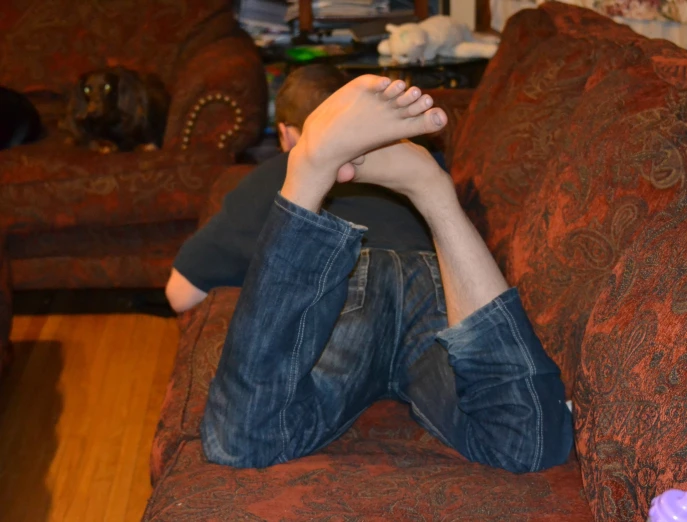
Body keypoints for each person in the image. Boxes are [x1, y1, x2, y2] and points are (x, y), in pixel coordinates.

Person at [197, 74, 574, 474]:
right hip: (437, 274)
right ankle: (430, 187)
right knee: (529, 443)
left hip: (345, 277)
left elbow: (180, 293)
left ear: (287, 136)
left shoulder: (264, 176)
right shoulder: (398, 156)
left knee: (242, 438)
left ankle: (308, 174)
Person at [166, 65, 437, 312]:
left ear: (285, 133)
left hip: (353, 299)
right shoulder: (412, 157)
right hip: (431, 292)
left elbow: (180, 294)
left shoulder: (272, 176)